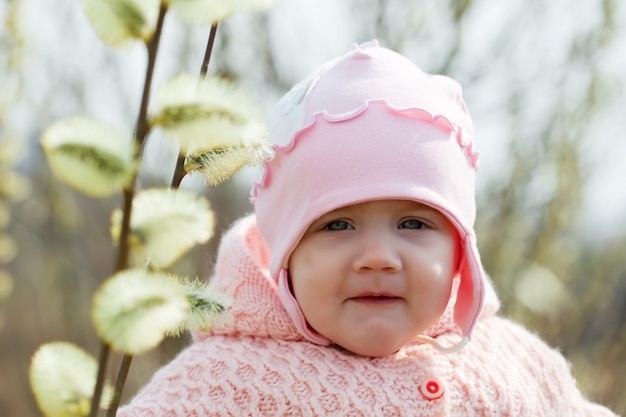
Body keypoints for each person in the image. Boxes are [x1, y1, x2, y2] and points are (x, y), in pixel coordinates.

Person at [117, 40, 618, 416]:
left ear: (461, 249)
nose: (377, 255)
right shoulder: (223, 384)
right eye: (337, 224)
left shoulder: (513, 366)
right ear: (285, 252)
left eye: (413, 222)